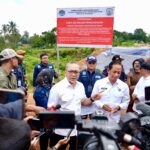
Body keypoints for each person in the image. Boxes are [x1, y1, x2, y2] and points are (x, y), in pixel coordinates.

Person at [47, 62, 100, 150]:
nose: (73, 74)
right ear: (65, 72)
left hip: (76, 129)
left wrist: (92, 99)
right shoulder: (57, 88)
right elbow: (51, 109)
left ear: (79, 73)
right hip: (61, 130)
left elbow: (83, 102)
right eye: (71, 71)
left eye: (76, 72)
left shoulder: (80, 86)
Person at [33, 68, 53, 150]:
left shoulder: (49, 87)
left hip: (52, 118)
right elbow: (45, 107)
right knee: (44, 138)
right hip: (44, 119)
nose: (52, 78)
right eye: (51, 76)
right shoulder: (39, 90)